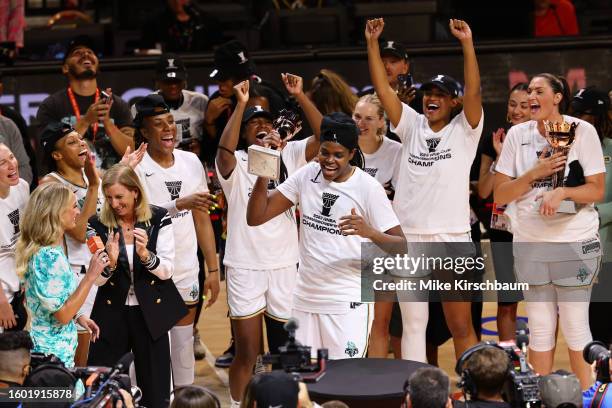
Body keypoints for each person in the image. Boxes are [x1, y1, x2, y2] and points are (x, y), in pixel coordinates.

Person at [366, 17, 484, 361]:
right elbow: (383, 89)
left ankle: (472, 386)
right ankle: (417, 390)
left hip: (452, 238)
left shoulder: (466, 129)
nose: (432, 99)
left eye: (441, 95)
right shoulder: (412, 125)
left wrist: (467, 43)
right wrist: (372, 44)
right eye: (429, 94)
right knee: (414, 324)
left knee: (460, 325)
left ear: (454, 103)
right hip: (411, 237)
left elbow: (474, 91)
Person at [247, 111, 404, 359]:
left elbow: (402, 247)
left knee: (345, 381)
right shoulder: (307, 175)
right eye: (324, 152)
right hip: (304, 298)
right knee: (307, 383)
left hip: (346, 300)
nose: (329, 160)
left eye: (338, 155)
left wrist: (369, 232)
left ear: (352, 154)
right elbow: (256, 217)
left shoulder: (367, 188)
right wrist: (265, 166)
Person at [494, 73, 605, 389]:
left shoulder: (582, 132)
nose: (530, 96)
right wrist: (535, 173)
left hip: (575, 240)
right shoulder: (517, 135)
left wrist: (563, 193)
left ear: (558, 97)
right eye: (528, 91)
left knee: (575, 326)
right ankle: (541, 400)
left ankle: (585, 397)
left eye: (538, 91)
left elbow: (596, 190)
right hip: (530, 241)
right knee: (540, 328)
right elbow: (501, 195)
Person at [216, 80, 319, 407]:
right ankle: (238, 405)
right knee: (248, 351)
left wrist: (300, 96)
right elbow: (222, 152)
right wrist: (241, 103)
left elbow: (324, 135)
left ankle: (287, 402)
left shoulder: (290, 152)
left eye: (265, 122)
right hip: (245, 265)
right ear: (244, 136)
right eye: (252, 124)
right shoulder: (237, 162)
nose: (260, 126)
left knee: (286, 350)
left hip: (286, 264)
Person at [132, 94, 219, 386]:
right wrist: (180, 204)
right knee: (152, 349)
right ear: (144, 132)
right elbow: (136, 217)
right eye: (158, 124)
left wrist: (213, 269)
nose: (168, 128)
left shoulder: (191, 161)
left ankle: (183, 399)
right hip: (150, 271)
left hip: (186, 269)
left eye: (170, 121)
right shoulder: (136, 167)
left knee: (182, 348)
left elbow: (202, 218)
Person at [87, 164, 186, 408]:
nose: (114, 203)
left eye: (119, 197)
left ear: (135, 192)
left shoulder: (158, 217)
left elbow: (167, 270)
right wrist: (108, 262)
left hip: (151, 313)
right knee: (106, 386)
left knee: (156, 388)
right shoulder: (95, 224)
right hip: (111, 314)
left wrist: (144, 255)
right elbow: (96, 280)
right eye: (109, 197)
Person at [15, 183, 106, 367]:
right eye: (73, 206)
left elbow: (58, 300)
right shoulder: (47, 257)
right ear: (56, 213)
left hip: (56, 354)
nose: (78, 212)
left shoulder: (50, 249)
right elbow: (62, 315)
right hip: (49, 357)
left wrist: (80, 316)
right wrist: (90, 276)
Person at [37, 122, 103, 366]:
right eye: (72, 142)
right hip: (74, 277)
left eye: (81, 139)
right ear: (57, 155)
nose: (81, 144)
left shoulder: (91, 176)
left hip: (100, 271)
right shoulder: (50, 186)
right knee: (77, 361)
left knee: (101, 354)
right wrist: (96, 186)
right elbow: (78, 232)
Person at [477, 83, 531, 341]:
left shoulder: (544, 137)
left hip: (535, 230)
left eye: (524, 105)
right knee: (507, 301)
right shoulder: (494, 138)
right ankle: (509, 358)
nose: (517, 110)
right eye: (513, 104)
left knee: (542, 302)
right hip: (503, 232)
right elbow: (485, 191)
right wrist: (500, 159)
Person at [34, 35, 134, 170]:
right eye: (77, 53)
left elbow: (132, 151)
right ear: (65, 68)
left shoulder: (117, 105)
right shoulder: (51, 106)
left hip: (113, 184)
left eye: (90, 52)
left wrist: (107, 123)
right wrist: (86, 121)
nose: (86, 55)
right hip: (72, 185)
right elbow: (47, 152)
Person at [568, 87, 612, 346]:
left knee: (605, 325)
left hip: (607, 252)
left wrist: (593, 212)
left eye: (585, 113)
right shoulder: (563, 150)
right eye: (575, 112)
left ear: (599, 116)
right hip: (573, 249)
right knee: (585, 330)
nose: (578, 119)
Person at [0, 143, 28, 334]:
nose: (12, 165)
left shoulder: (22, 188)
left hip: (18, 290)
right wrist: (2, 302)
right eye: (3, 162)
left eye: (11, 157)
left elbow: (24, 239)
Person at [139, 0, 224, 53]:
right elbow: (144, 51)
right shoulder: (154, 23)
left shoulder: (207, 21)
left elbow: (218, 50)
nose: (177, 1)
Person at [0, 115, 31, 184]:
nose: (12, 166)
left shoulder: (7, 125)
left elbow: (25, 169)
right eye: (2, 163)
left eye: (11, 157)